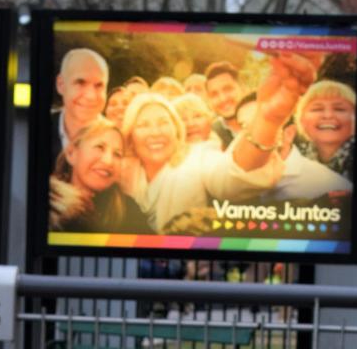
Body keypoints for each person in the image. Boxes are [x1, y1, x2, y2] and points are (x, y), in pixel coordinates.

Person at [119, 55, 316, 234]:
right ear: (129, 136)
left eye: (163, 122)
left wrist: (267, 121)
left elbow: (230, 174)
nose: (155, 132)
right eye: (143, 125)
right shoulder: (117, 170)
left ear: (177, 130)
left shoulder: (198, 156)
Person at [234, 92, 352, 201]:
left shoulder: (330, 187)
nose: (249, 136)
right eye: (243, 127)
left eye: (263, 127)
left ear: (289, 134)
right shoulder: (233, 179)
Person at [49, 116, 152, 235]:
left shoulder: (130, 209)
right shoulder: (49, 206)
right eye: (99, 147)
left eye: (117, 154)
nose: (108, 161)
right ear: (72, 153)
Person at [51, 47, 109, 162]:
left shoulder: (118, 141)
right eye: (80, 83)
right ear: (61, 84)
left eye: (99, 85)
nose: (90, 96)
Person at [295, 79, 356, 178]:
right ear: (302, 119)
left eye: (339, 109)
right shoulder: (291, 160)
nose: (328, 116)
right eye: (317, 109)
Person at [204, 60, 244, 147]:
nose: (222, 99)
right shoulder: (211, 135)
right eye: (214, 94)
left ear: (242, 87)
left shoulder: (264, 122)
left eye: (227, 89)